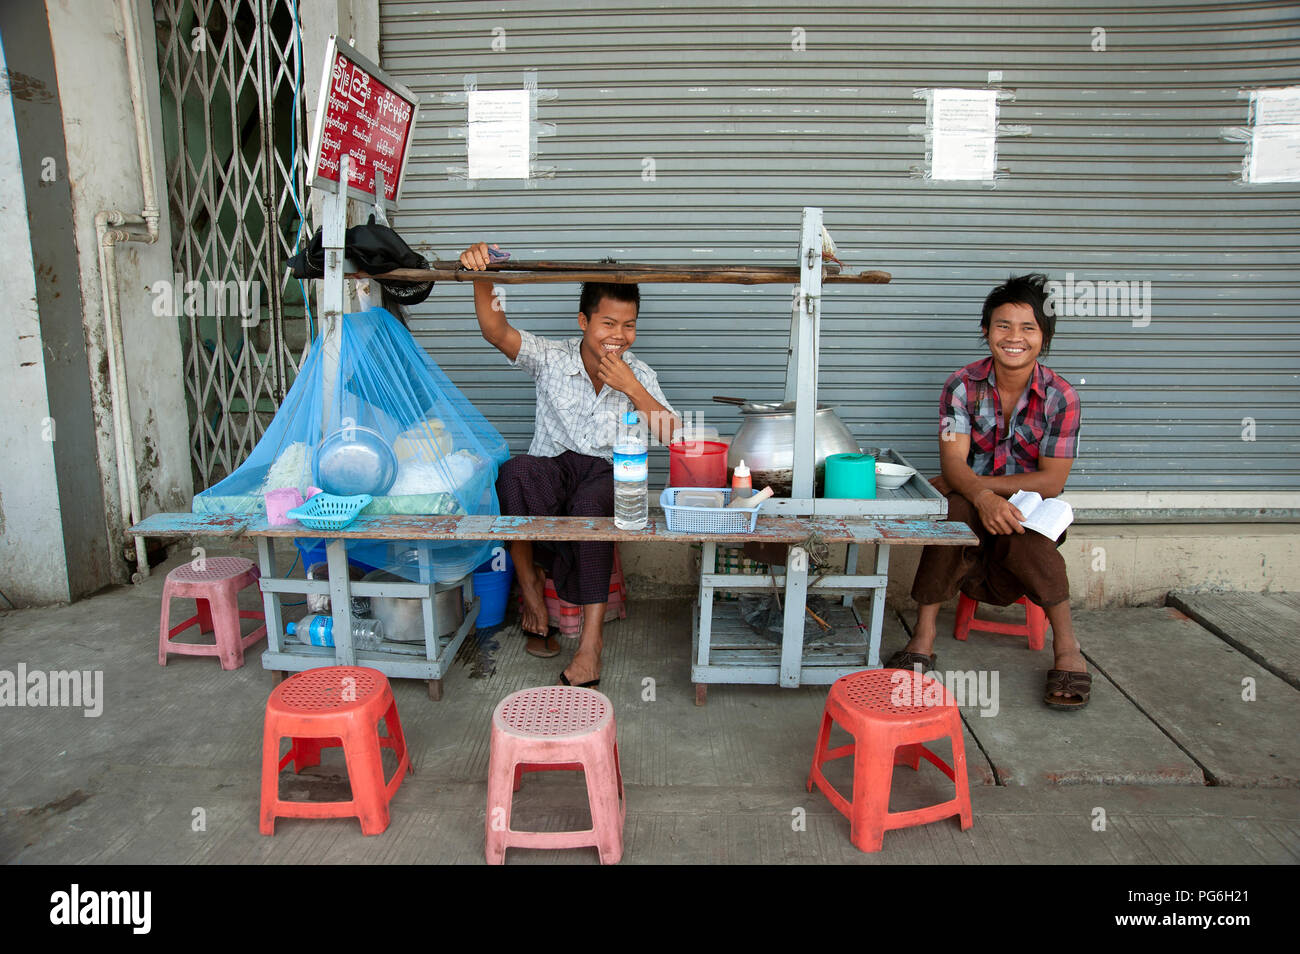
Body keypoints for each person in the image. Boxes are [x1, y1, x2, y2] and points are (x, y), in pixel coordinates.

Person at [459, 241, 680, 687]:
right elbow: (496, 331)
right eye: (608, 324)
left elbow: (673, 435)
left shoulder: (639, 372)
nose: (619, 336)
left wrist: (631, 386)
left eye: (629, 326)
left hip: (602, 473)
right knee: (513, 473)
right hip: (552, 468)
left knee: (594, 504)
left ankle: (589, 643)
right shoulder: (552, 357)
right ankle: (532, 592)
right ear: (584, 322)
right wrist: (483, 276)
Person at [889, 273, 1091, 709]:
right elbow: (951, 463)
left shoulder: (1062, 398)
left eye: (1028, 328)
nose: (1014, 337)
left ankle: (1068, 650)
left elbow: (1051, 481)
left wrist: (986, 490)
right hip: (967, 499)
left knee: (1030, 542)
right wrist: (979, 496)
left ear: (1044, 336)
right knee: (955, 515)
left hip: (1030, 507)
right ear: (986, 331)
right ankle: (922, 640)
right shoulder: (960, 386)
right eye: (1003, 325)